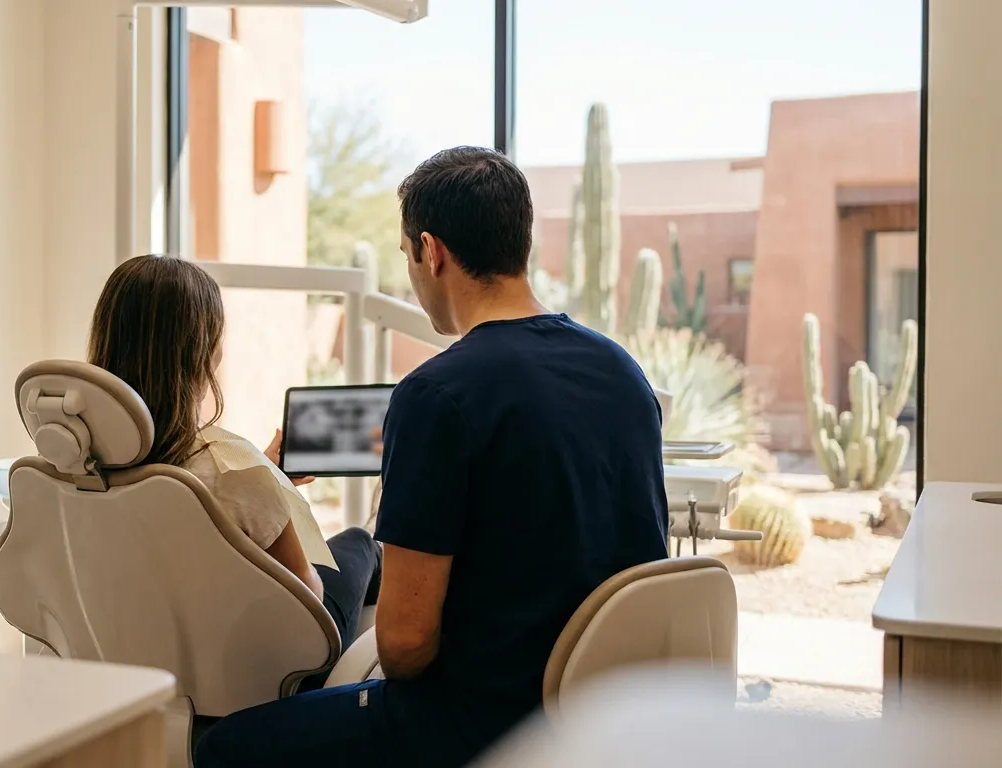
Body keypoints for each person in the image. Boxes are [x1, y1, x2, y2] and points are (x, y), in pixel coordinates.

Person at [194, 147, 670, 767]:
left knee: (223, 747)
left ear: (432, 251)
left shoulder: (436, 395)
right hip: (612, 715)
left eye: (406, 258)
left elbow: (404, 645)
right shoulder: (622, 371)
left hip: (481, 726)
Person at [88, 255, 380, 656]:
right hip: (262, 666)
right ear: (203, 350)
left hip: (144, 654)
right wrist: (266, 488)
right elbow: (310, 600)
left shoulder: (78, 468)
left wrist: (266, 477)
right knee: (361, 544)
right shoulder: (234, 472)